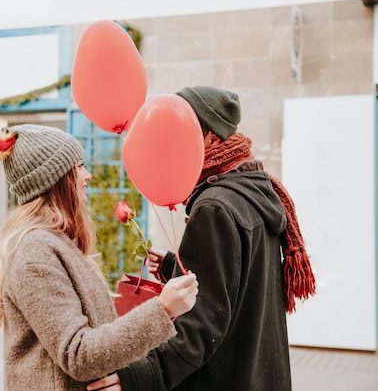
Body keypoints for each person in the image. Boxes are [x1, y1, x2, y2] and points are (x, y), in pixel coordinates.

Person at [107, 86, 316, 391]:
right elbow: (237, 282)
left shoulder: (214, 206)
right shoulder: (257, 190)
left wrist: (138, 376)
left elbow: (202, 324)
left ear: (211, 137)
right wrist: (173, 265)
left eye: (183, 129)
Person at [0, 114, 199, 391]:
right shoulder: (35, 253)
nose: (87, 175)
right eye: (78, 167)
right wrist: (163, 309)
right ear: (56, 180)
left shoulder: (55, 242)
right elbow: (78, 355)